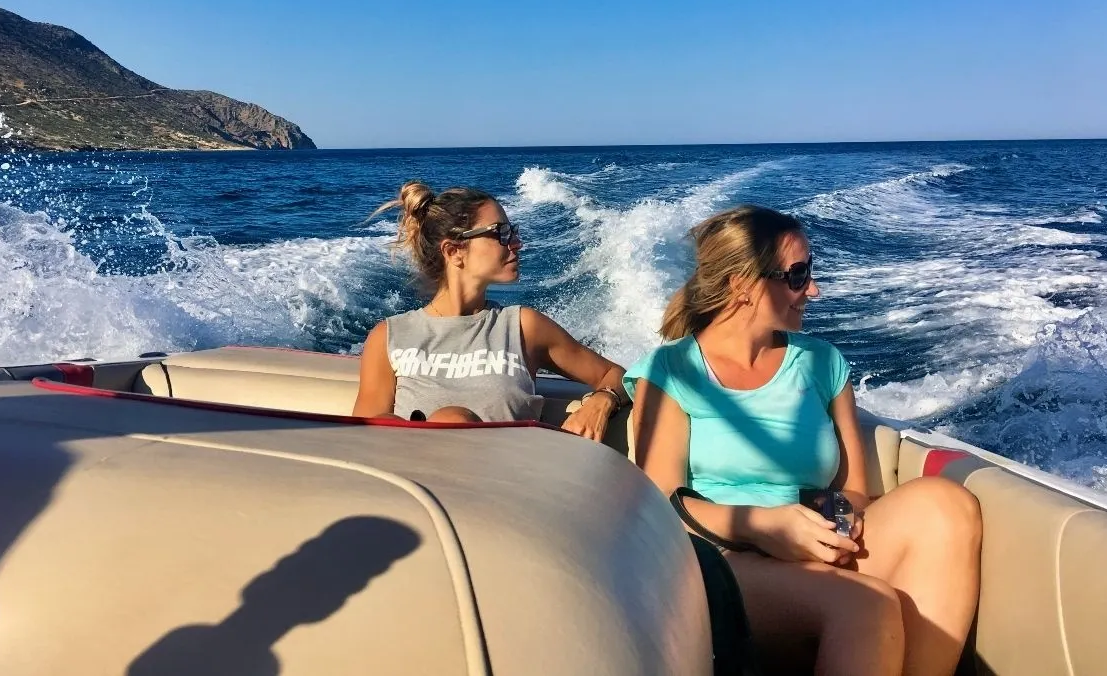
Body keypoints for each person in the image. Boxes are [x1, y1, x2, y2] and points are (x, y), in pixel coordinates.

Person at [624, 205, 982, 676]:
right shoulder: (672, 371)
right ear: (741, 285)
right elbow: (665, 504)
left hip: (810, 544)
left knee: (948, 505)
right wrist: (764, 527)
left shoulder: (822, 363)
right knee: (864, 603)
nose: (812, 289)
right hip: (717, 559)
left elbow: (853, 485)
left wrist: (836, 524)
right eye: (797, 275)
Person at [353, 181, 628, 440]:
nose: (516, 243)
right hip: (416, 481)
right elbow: (364, 442)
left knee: (453, 419)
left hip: (502, 482)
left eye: (513, 232)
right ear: (453, 251)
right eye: (501, 233)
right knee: (438, 420)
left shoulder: (522, 327)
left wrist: (602, 401)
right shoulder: (389, 337)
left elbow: (617, 375)